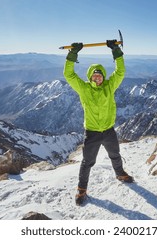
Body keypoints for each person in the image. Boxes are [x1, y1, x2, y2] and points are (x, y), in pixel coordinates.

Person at [63, 40, 134, 206]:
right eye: (94, 76)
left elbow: (120, 71)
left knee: (115, 155)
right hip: (92, 132)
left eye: (100, 75)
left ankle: (120, 173)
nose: (97, 78)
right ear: (90, 77)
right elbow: (69, 75)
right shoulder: (84, 89)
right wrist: (73, 54)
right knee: (87, 162)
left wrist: (116, 51)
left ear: (103, 76)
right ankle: (82, 189)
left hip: (109, 131)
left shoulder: (110, 86)